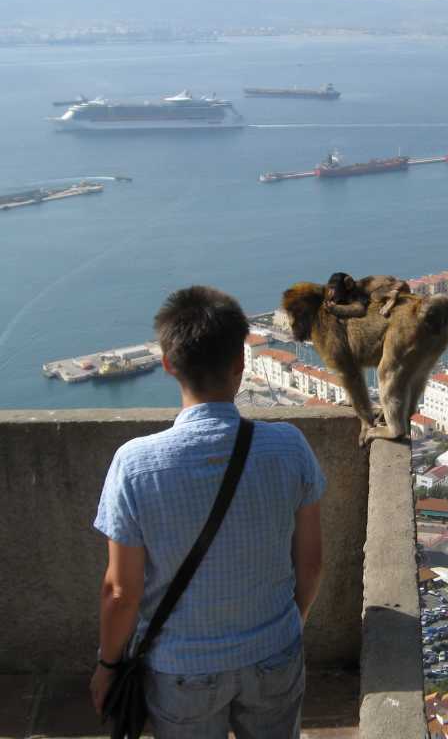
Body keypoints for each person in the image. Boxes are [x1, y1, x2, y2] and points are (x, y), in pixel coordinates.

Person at [90, 285, 326, 738]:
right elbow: (310, 564)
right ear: (241, 364)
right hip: (273, 650)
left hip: (181, 669)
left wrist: (107, 664)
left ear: (167, 365)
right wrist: (289, 625)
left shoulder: (134, 465)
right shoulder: (290, 447)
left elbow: (121, 592)